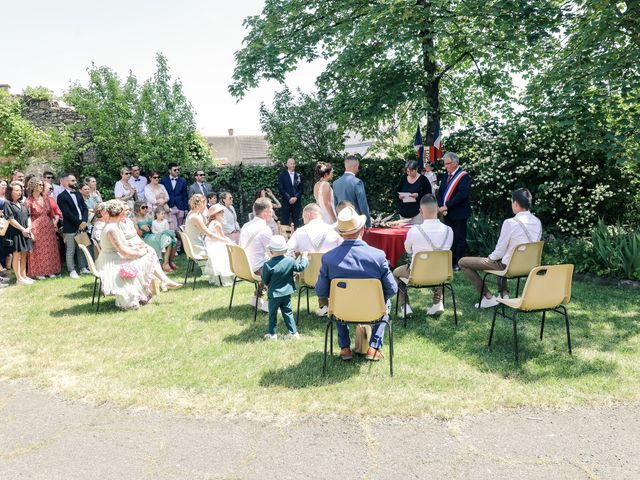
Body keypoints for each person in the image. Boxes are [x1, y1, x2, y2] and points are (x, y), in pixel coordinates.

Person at [315, 206, 398, 361]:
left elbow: (320, 291)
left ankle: (345, 348)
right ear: (362, 229)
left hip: (342, 312)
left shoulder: (328, 258)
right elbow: (392, 289)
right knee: (386, 303)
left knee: (336, 301)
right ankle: (373, 348)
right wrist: (376, 300)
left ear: (340, 233)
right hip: (373, 310)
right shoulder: (378, 256)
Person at [459, 188, 542, 308]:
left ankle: (488, 297)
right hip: (529, 266)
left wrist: (489, 259)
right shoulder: (537, 222)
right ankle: (504, 295)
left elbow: (499, 252)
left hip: (509, 267)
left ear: (516, 203)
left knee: (463, 262)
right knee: (503, 258)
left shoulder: (510, 223)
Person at [392, 194, 453, 317]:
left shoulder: (414, 231)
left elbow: (407, 249)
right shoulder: (449, 230)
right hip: (442, 275)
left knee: (395, 274)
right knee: (435, 267)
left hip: (417, 275)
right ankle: (438, 302)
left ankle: (405, 306)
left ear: (420, 211)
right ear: (437, 209)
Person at [96, 200, 157, 309]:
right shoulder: (112, 228)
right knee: (144, 258)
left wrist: (136, 247)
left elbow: (122, 244)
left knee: (148, 253)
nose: (126, 213)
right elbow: (123, 252)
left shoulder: (113, 225)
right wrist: (139, 252)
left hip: (113, 257)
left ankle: (145, 292)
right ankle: (142, 294)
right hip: (111, 262)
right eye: (124, 211)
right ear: (119, 213)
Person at [286, 203, 343, 316]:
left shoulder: (299, 232)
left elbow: (286, 252)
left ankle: (324, 306)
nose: (303, 219)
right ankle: (329, 305)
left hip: (308, 277)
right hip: (331, 277)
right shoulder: (333, 231)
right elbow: (344, 250)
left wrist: (295, 261)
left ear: (308, 214)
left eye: (303, 216)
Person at [261, 236, 308, 340]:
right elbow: (300, 267)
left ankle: (272, 334)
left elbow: (265, 280)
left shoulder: (267, 265)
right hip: (287, 293)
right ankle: (294, 333)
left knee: (272, 314)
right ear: (286, 250)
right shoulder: (291, 261)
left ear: (271, 251)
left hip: (274, 294)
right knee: (288, 312)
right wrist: (304, 258)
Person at [436, 152, 471, 270]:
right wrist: (441, 207)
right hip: (447, 213)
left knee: (459, 238)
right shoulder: (446, 175)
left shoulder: (464, 176)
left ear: (455, 163)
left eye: (448, 164)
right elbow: (440, 193)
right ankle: (449, 262)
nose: (446, 166)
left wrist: (447, 206)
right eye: (445, 164)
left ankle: (459, 263)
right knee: (448, 238)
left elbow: (462, 195)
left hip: (459, 213)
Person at [238, 197, 274, 312]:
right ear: (265, 212)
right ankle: (270, 303)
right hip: (255, 268)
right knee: (282, 267)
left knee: (266, 264)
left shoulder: (246, 225)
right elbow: (274, 254)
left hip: (243, 267)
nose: (273, 212)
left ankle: (256, 298)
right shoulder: (265, 229)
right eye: (271, 209)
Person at [25, 178, 62, 280]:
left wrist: (54, 223)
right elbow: (27, 216)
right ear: (33, 186)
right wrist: (30, 230)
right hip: (36, 227)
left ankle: (51, 271)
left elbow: (52, 213)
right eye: (39, 185)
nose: (42, 187)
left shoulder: (46, 198)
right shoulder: (29, 201)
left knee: (50, 249)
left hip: (48, 226)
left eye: (42, 185)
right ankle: (39, 272)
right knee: (39, 250)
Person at [57, 174, 89, 278]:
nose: (75, 182)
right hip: (70, 227)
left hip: (82, 225)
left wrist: (84, 221)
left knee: (82, 248)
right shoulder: (61, 196)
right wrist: (79, 223)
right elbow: (66, 213)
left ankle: (83, 268)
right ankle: (72, 270)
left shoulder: (78, 194)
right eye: (73, 180)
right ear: (66, 182)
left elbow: (85, 208)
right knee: (71, 250)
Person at [3, 182, 33, 285]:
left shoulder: (23, 203)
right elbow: (11, 219)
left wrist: (29, 228)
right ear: (10, 192)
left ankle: (24, 275)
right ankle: (19, 279)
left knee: (24, 253)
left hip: (25, 232)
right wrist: (22, 229)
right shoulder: (8, 203)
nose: (19, 192)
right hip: (15, 233)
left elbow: (28, 217)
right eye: (16, 190)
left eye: (20, 190)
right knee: (17, 255)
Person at [184, 194, 223, 266]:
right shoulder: (196, 217)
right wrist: (224, 240)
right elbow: (210, 234)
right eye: (204, 203)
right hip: (198, 249)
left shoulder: (191, 213)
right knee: (222, 248)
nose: (205, 206)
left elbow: (203, 228)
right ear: (202, 203)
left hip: (194, 245)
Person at [333, 156, 371, 227]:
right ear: (355, 166)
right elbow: (363, 205)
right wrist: (368, 224)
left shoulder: (335, 183)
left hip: (342, 221)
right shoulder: (357, 182)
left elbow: (336, 204)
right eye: (358, 167)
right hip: (355, 221)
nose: (358, 169)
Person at [203, 204, 234, 285]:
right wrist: (229, 241)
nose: (222, 214)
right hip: (216, 246)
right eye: (220, 212)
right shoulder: (217, 224)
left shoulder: (211, 223)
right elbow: (222, 237)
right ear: (215, 215)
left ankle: (217, 279)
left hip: (212, 246)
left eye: (222, 212)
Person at [396, 160, 433, 224]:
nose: (409, 173)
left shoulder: (423, 179)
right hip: (404, 213)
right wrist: (399, 196)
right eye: (408, 171)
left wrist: (418, 195)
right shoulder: (404, 178)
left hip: (418, 214)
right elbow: (397, 192)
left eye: (411, 171)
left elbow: (429, 196)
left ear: (416, 169)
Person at [160, 162, 188, 233]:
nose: (177, 171)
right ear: (169, 171)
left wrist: (185, 209)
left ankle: (181, 243)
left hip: (180, 207)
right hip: (170, 207)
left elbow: (185, 195)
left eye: (178, 170)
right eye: (175, 170)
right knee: (173, 227)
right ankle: (175, 243)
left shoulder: (183, 181)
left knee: (180, 228)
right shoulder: (164, 180)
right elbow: (162, 195)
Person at [277, 158, 303, 227]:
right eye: (291, 164)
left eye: (294, 163)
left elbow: (301, 189)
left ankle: (296, 236)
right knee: (285, 221)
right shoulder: (282, 175)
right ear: (287, 165)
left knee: (296, 222)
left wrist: (296, 197)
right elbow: (281, 189)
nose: (293, 165)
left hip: (297, 202)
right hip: (286, 202)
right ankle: (284, 237)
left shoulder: (298, 175)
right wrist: (289, 198)